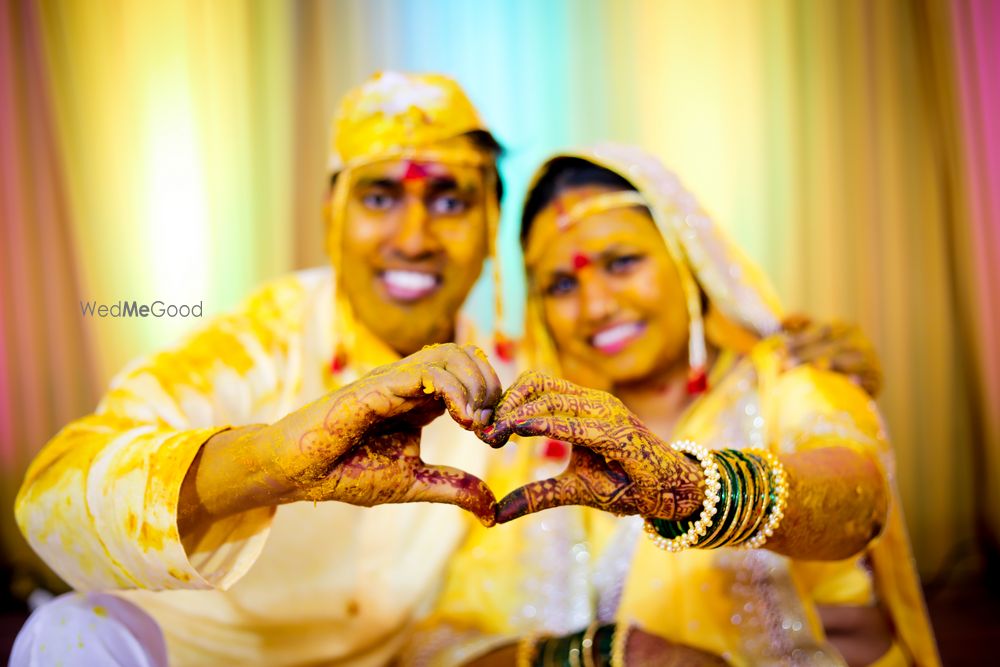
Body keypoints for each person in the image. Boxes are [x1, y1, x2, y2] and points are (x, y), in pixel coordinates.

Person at [12, 71, 511, 666]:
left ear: (490, 226)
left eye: (451, 201)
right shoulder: (264, 339)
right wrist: (274, 461)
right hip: (178, 655)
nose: (413, 238)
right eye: (379, 197)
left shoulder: (506, 384)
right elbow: (52, 496)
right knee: (73, 632)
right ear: (332, 216)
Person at [412, 145, 939, 666]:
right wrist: (597, 655)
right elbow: (450, 643)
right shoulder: (539, 445)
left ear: (687, 258)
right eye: (562, 284)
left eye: (621, 262)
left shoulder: (789, 384)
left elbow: (858, 504)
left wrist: (693, 490)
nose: (596, 305)